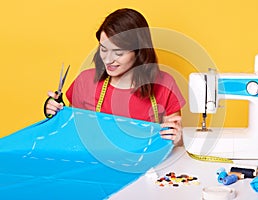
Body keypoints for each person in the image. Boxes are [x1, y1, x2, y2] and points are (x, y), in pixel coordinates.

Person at [45, 8, 186, 146]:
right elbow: (71, 130)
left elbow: (174, 140)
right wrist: (55, 112)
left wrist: (177, 138)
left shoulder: (164, 84)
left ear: (139, 52)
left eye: (118, 53)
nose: (108, 60)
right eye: (103, 49)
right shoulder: (85, 81)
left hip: (146, 166)